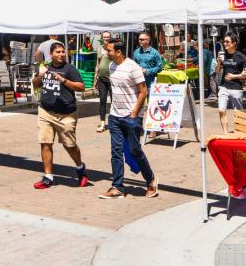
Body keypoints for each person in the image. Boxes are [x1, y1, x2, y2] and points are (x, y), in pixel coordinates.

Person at [100, 39, 158, 199]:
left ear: (118, 52)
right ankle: (117, 186)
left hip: (131, 116)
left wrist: (134, 114)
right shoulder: (112, 66)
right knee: (116, 152)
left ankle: (150, 179)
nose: (107, 53)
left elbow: (143, 91)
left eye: (109, 50)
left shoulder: (132, 67)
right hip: (115, 116)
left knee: (135, 150)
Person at [33, 41, 90, 189]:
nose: (61, 54)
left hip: (66, 114)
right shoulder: (45, 67)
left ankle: (80, 167)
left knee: (69, 145)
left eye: (63, 52)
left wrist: (63, 80)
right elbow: (35, 84)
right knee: (45, 142)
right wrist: (40, 76)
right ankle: (48, 177)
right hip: (46, 111)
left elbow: (82, 87)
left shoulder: (69, 69)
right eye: (58, 52)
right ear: (51, 54)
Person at [217, 34, 246, 133]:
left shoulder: (241, 56)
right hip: (224, 86)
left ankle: (239, 133)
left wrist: (234, 76)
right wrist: (219, 62)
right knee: (221, 110)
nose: (225, 43)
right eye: (224, 41)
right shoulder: (223, 55)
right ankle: (226, 134)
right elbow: (218, 71)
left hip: (236, 88)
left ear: (234, 43)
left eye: (227, 42)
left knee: (238, 113)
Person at [95, 32, 113, 133]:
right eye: (104, 37)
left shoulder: (113, 48)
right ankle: (102, 124)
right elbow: (98, 64)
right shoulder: (99, 48)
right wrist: (95, 77)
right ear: (102, 38)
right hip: (101, 78)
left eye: (108, 37)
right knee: (102, 100)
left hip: (112, 79)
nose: (106, 38)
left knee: (114, 101)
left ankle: (114, 122)